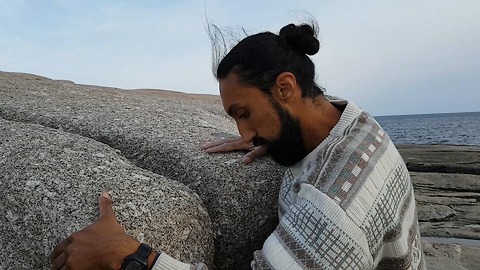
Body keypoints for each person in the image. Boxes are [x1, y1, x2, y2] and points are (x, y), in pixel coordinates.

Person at [50, 22, 426, 270]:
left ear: (285, 88)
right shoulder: (353, 123)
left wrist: (128, 255)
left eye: (244, 113)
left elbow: (335, 211)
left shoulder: (337, 205)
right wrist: (281, 140)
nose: (244, 136)